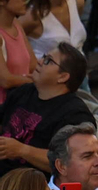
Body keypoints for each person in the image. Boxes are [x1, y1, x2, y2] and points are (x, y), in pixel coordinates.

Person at [0, 43, 92, 179]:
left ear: (63, 77)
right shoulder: (26, 91)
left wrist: (21, 150)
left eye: (48, 61)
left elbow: (70, 163)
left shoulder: (75, 115)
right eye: (44, 57)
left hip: (28, 186)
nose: (39, 61)